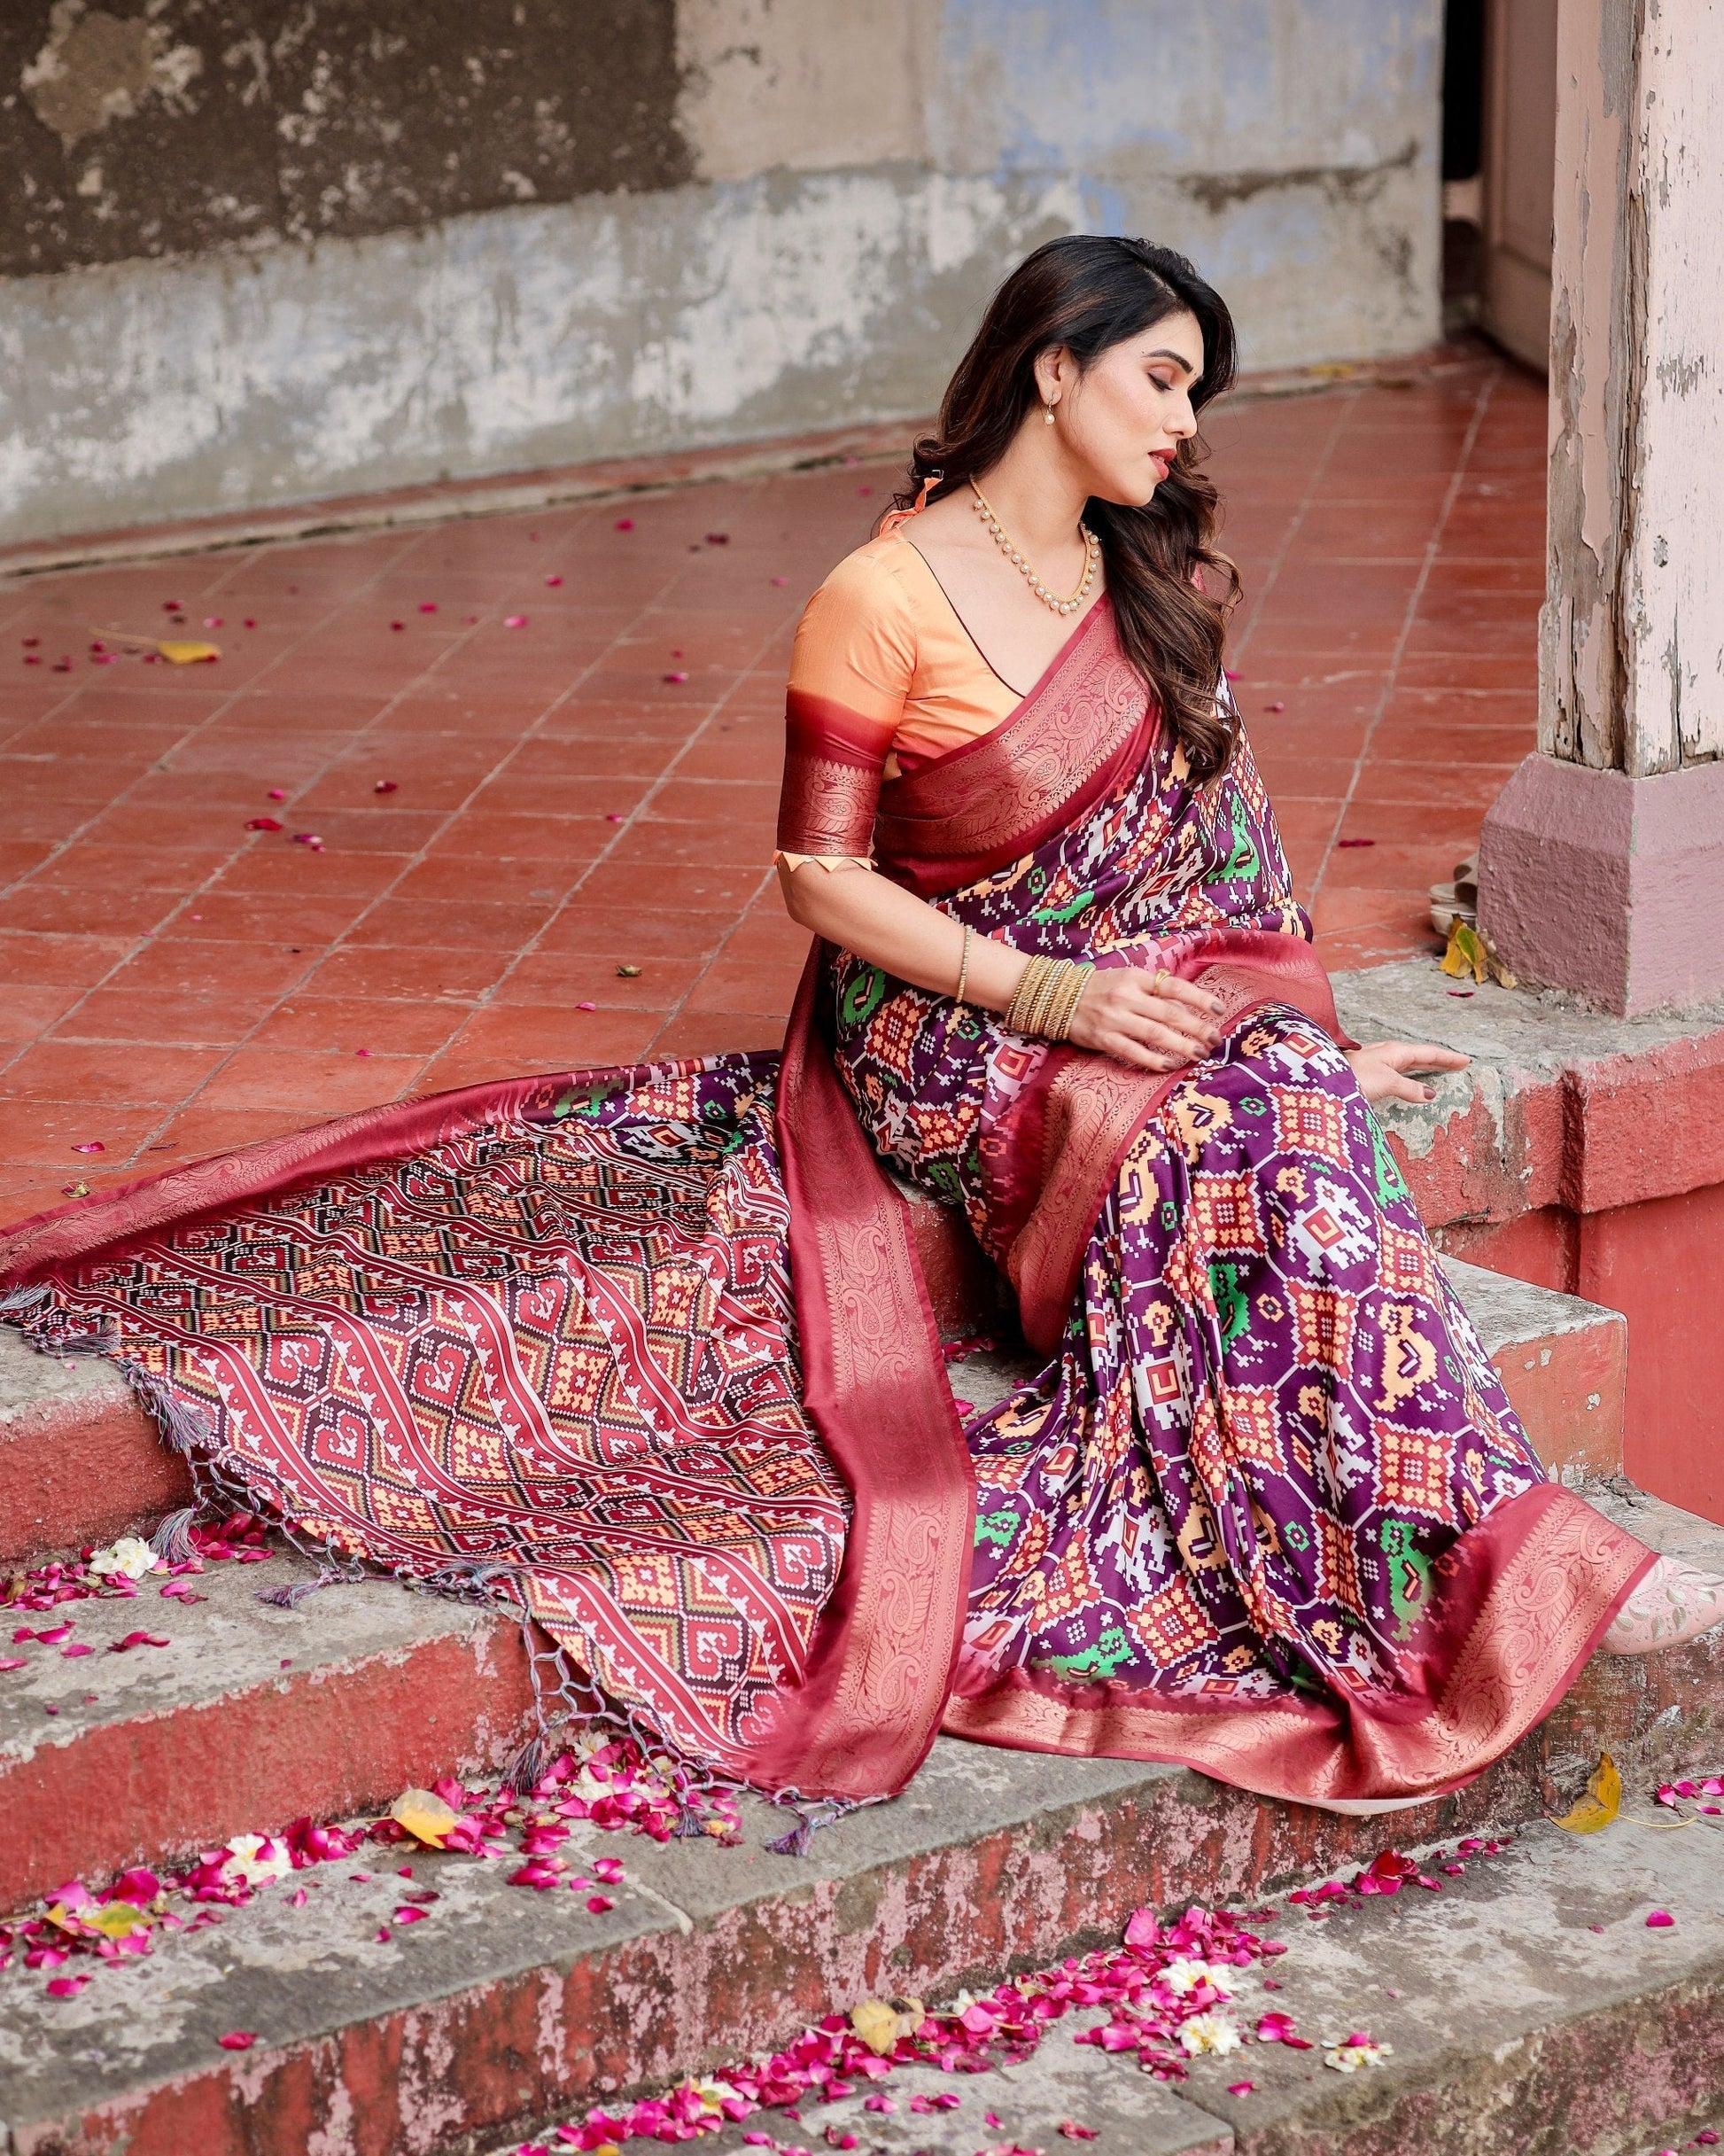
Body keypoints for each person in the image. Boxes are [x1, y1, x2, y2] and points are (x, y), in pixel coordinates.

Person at [4, 237, 1719, 1826]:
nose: (1183, 421)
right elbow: (818, 880)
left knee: (1264, 1088)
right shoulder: (880, 595)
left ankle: (1459, 1540)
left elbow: (1225, 851)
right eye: (1163, 376)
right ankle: (1483, 1555)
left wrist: (1306, 1040)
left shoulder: (1151, 573)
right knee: (1203, 1122)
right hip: (941, 1027)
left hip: (1121, 980)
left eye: (1198, 390)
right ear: (1056, 368)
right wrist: (1056, 997)